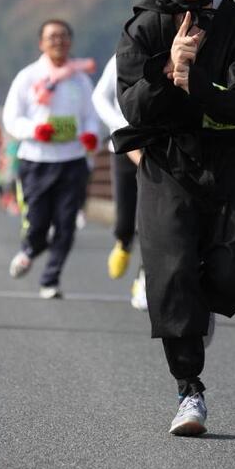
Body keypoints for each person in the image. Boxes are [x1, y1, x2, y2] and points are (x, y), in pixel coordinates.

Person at [113, 0, 235, 436]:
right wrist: (168, 71)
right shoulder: (146, 26)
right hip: (168, 161)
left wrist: (193, 81)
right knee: (173, 274)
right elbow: (132, 106)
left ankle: (199, 310)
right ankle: (189, 390)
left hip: (231, 161)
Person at [2, 19, 100, 298]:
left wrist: (91, 134)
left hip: (72, 161)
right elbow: (11, 118)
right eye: (52, 37)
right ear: (41, 43)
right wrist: (34, 130)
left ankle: (50, 279)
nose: (59, 41)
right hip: (36, 159)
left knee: (66, 224)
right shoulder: (28, 77)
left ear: (70, 41)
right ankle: (30, 248)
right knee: (38, 223)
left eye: (64, 36)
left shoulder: (80, 79)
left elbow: (90, 117)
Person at [92, 54, 147, 310]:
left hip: (161, 146)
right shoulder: (125, 53)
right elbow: (99, 97)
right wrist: (121, 127)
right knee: (126, 216)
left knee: (153, 219)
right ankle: (123, 241)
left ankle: (144, 279)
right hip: (125, 144)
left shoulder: (184, 48)